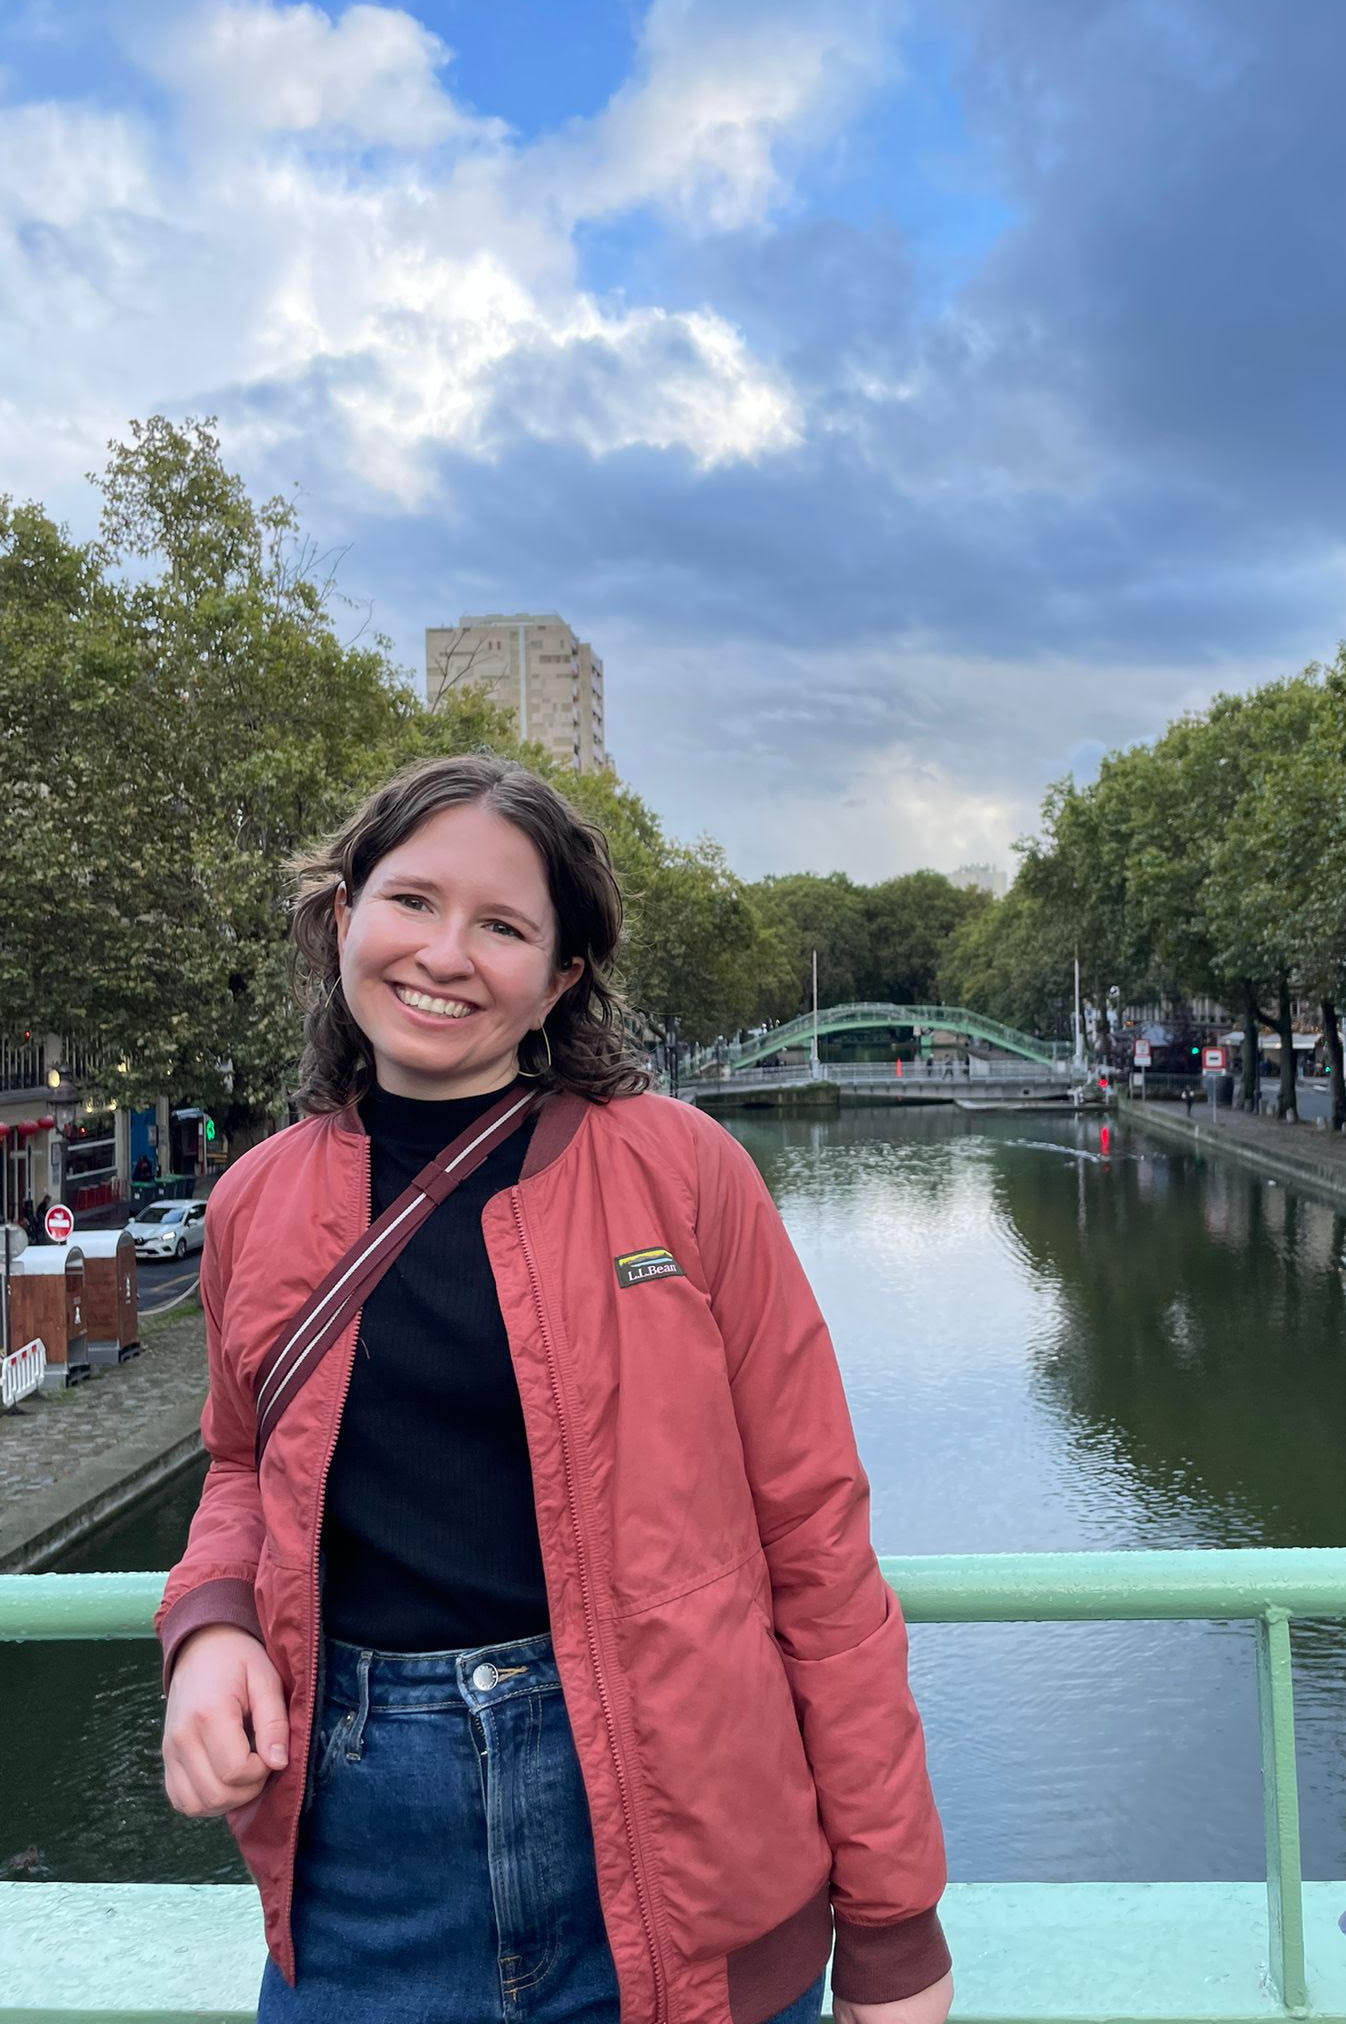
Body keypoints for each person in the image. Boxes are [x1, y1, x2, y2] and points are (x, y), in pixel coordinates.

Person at [156, 755, 952, 2024]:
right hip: (365, 1860)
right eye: (411, 900)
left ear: (561, 975)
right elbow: (244, 1463)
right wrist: (207, 1623)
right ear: (345, 912)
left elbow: (818, 1549)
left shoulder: (683, 1174)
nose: (445, 952)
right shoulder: (255, 1199)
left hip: (684, 1837)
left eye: (505, 925)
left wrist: (897, 1922)